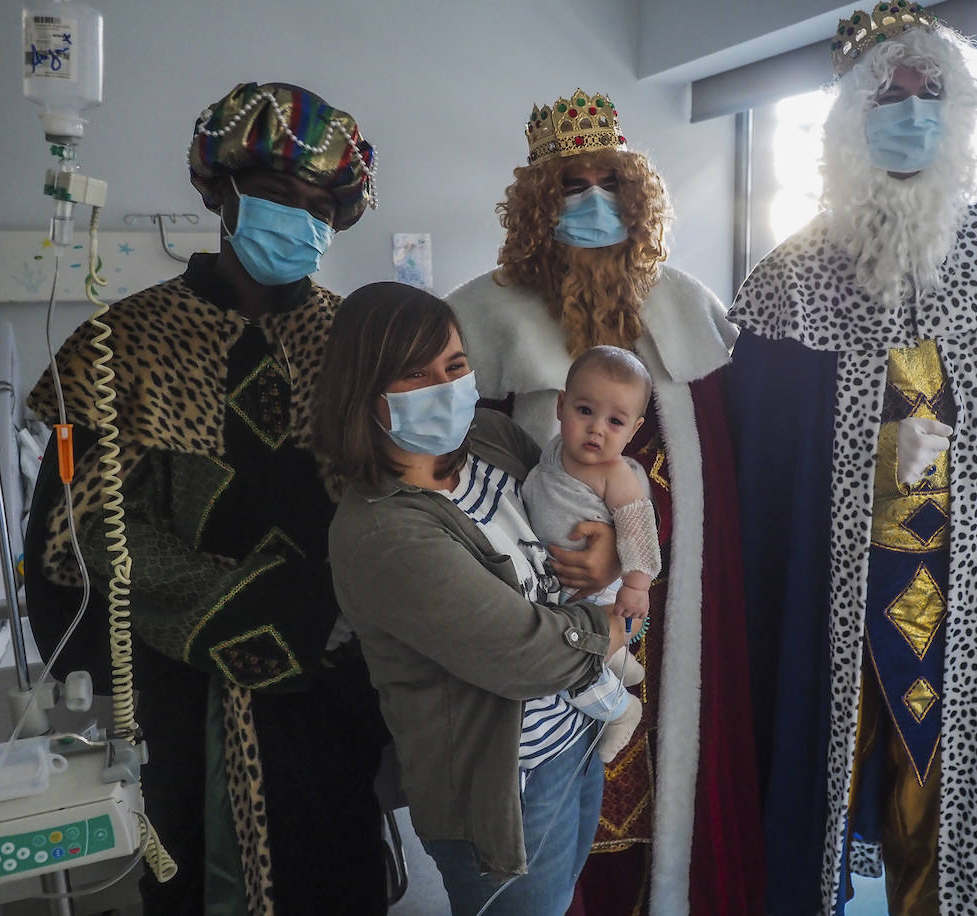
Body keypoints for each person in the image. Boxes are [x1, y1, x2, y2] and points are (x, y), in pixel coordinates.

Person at [729, 5, 977, 915]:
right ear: (850, 116)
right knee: (818, 775)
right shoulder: (789, 279)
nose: (911, 110)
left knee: (944, 793)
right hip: (831, 585)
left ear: (960, 115)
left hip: (966, 589)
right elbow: (761, 469)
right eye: (890, 92)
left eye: (931, 92)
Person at [23, 82, 390, 915]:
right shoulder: (121, 347)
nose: (299, 220)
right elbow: (68, 542)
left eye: (318, 208)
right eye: (273, 197)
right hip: (184, 696)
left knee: (339, 866)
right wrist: (262, 607)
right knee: (198, 876)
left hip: (339, 686)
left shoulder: (356, 344)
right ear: (221, 193)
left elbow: (403, 506)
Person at [446, 89, 765, 915]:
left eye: (609, 184)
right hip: (545, 600)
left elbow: (721, 479)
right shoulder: (482, 314)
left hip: (665, 610)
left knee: (666, 769)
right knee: (554, 789)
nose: (593, 205)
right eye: (569, 187)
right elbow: (457, 478)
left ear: (637, 194)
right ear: (537, 202)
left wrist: (635, 563)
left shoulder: (687, 304)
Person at [312, 282, 627, 916]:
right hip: (507, 785)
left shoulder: (488, 437)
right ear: (361, 393)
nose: (444, 387)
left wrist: (612, 546)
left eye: (454, 367)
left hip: (573, 734)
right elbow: (527, 656)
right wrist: (613, 626)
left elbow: (570, 509)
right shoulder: (383, 531)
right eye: (412, 375)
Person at [523, 345, 662, 762]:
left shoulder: (615, 474)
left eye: (614, 421)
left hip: (595, 590)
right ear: (562, 405)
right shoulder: (555, 449)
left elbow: (639, 529)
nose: (596, 430)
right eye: (585, 411)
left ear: (633, 430)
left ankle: (621, 710)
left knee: (571, 662)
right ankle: (621, 664)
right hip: (556, 578)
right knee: (576, 639)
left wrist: (637, 585)